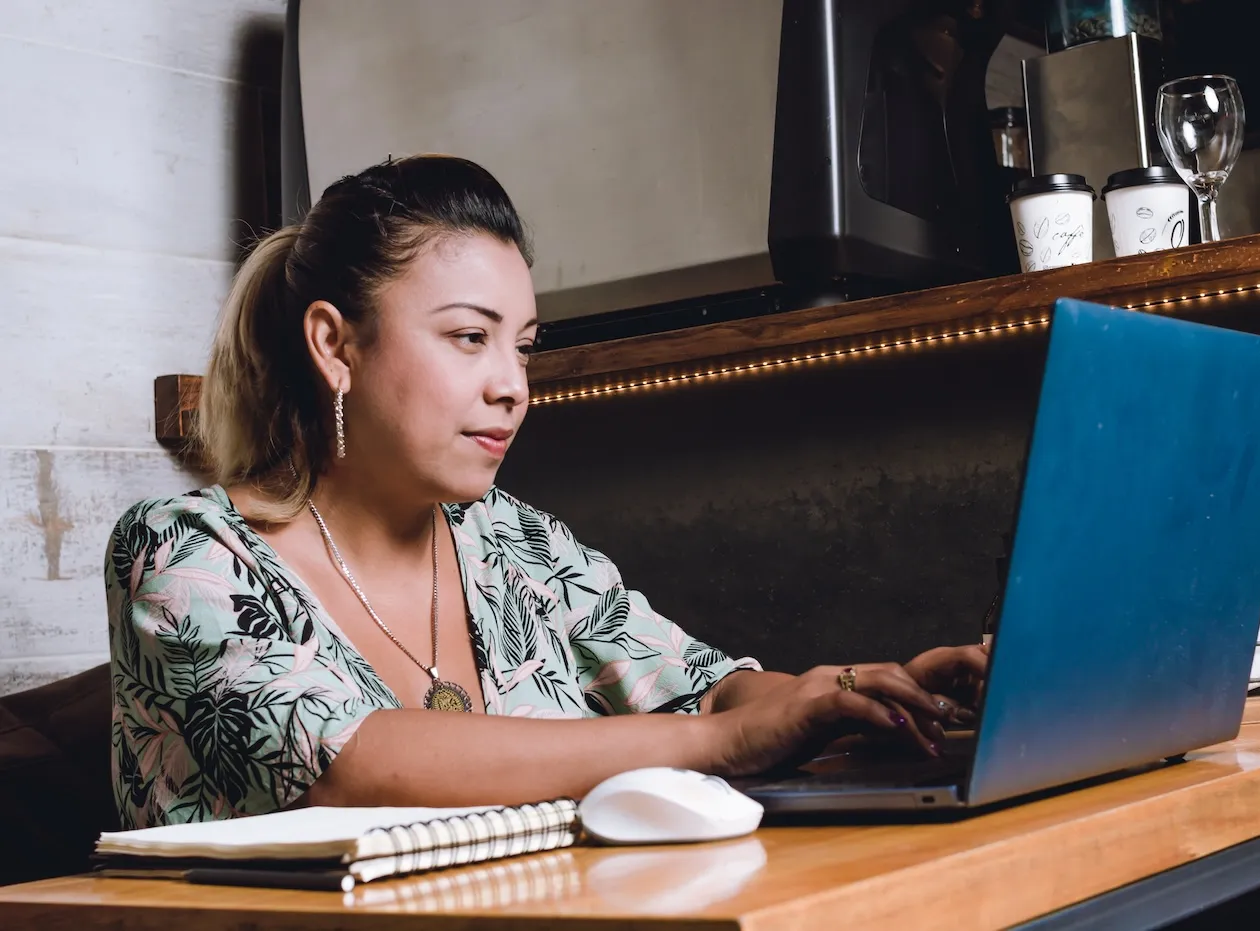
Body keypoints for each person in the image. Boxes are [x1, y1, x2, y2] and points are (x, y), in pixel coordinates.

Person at [105, 156, 987, 829]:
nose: (511, 385)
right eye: (467, 337)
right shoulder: (186, 551)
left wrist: (851, 693)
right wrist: (714, 744)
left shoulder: (511, 541)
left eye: (522, 346)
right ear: (336, 345)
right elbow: (348, 763)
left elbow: (705, 691)